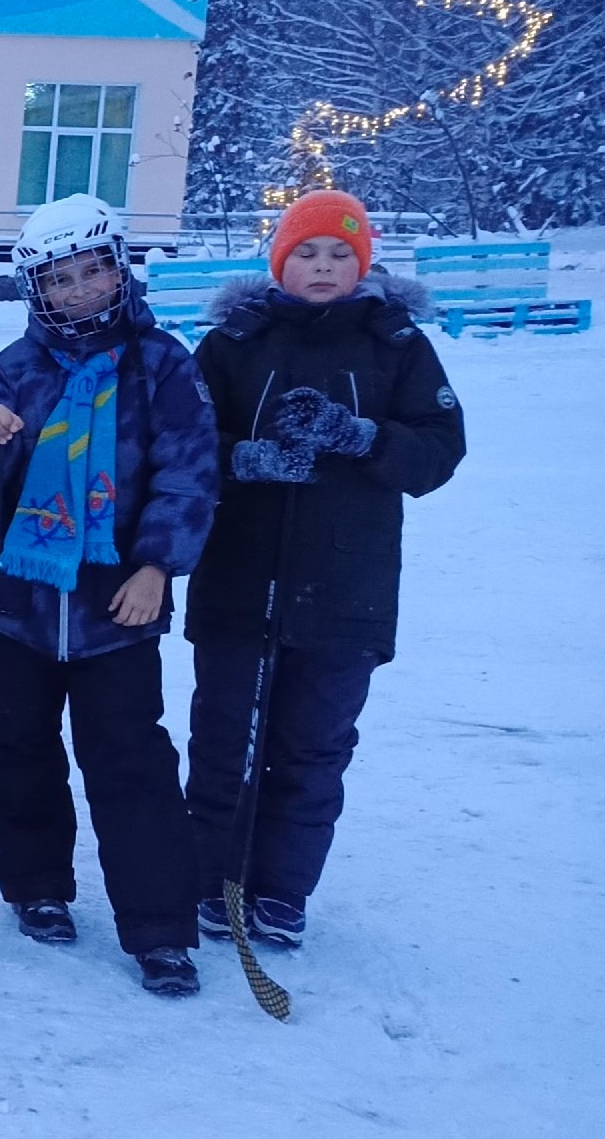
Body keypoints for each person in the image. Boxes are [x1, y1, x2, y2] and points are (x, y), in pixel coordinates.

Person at [0, 193, 217, 996]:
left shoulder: (161, 363)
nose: (77, 291)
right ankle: (38, 887)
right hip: (17, 600)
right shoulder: (16, 367)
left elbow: (189, 473)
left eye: (91, 272)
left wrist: (157, 565)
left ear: (117, 270)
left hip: (116, 604)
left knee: (132, 763)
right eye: (58, 280)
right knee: (18, 751)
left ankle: (161, 928)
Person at [183, 189, 466, 947]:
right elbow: (179, 443)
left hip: (346, 590)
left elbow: (439, 452)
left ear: (362, 262)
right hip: (241, 581)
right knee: (224, 741)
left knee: (312, 748)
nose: (322, 266)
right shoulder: (235, 343)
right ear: (280, 260)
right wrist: (241, 457)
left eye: (339, 253)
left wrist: (361, 437)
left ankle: (281, 891)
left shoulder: (395, 344)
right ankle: (210, 879)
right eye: (307, 251)